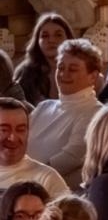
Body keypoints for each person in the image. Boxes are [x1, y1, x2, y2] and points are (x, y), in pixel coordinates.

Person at [27, 37, 103, 188]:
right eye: (61, 68)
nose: (64, 74)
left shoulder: (96, 112)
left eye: (73, 69)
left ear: (92, 76)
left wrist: (24, 175)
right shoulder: (44, 107)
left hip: (59, 196)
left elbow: (71, 158)